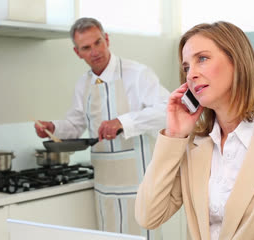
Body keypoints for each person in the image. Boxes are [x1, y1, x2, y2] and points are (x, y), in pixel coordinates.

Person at [135, 21, 254, 240]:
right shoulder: (193, 147)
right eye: (186, 67)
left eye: (202, 59)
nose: (190, 74)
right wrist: (174, 135)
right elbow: (148, 216)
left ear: (237, 61)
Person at [35, 17, 168, 239]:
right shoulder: (83, 84)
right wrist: (53, 128)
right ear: (78, 53)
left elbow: (167, 111)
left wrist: (123, 122)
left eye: (98, 42)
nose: (95, 51)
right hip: (105, 186)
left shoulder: (138, 74)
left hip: (139, 185)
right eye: (86, 47)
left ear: (106, 39)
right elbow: (76, 125)